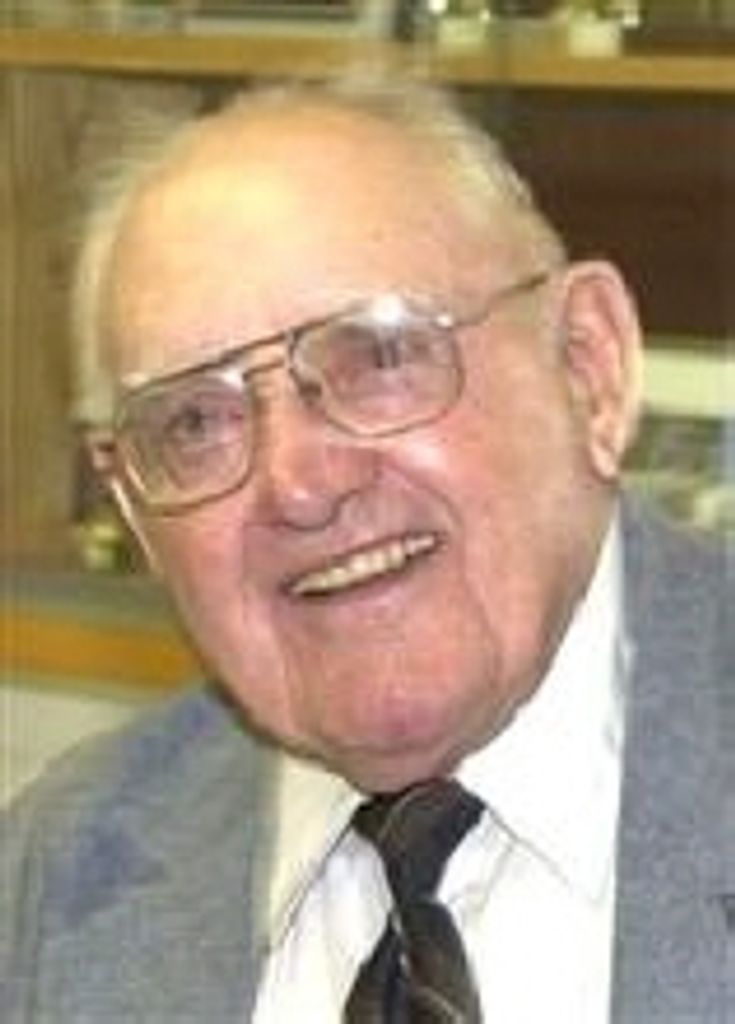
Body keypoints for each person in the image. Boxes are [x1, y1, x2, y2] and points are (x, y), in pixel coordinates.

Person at [1, 75, 732, 1023]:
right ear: (134, 510)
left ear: (587, 367)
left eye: (379, 357)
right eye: (195, 422)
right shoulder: (52, 883)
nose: (300, 485)